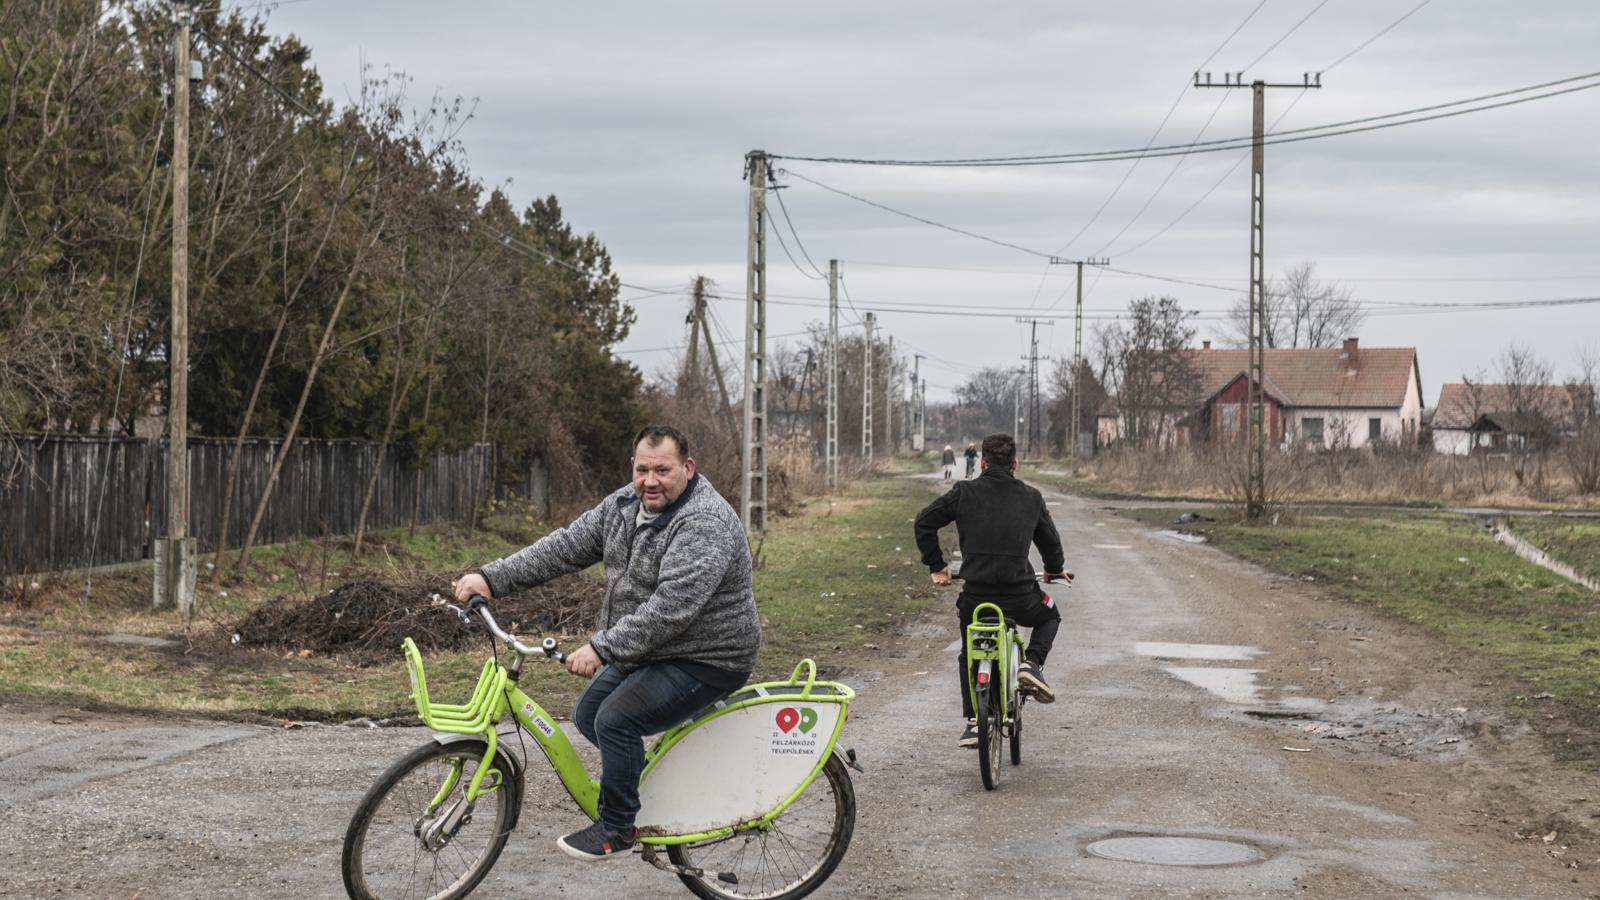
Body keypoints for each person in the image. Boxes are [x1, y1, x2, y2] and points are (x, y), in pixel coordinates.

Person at [453, 425, 759, 861]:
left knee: (616, 720)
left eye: (663, 470)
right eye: (642, 469)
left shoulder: (703, 523)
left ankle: (618, 828)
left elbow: (672, 608)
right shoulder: (622, 506)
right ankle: (647, 788)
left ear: (687, 469)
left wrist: (603, 648)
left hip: (707, 657)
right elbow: (564, 547)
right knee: (589, 714)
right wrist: (491, 577)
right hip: (653, 648)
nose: (650, 480)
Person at [913, 432, 1067, 748]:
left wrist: (936, 564)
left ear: (982, 462)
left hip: (976, 598)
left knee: (969, 651)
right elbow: (1050, 542)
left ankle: (973, 721)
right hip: (1021, 597)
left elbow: (924, 522)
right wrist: (1053, 569)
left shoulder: (964, 493)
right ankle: (1032, 665)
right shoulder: (1031, 497)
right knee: (1050, 614)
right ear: (1016, 464)